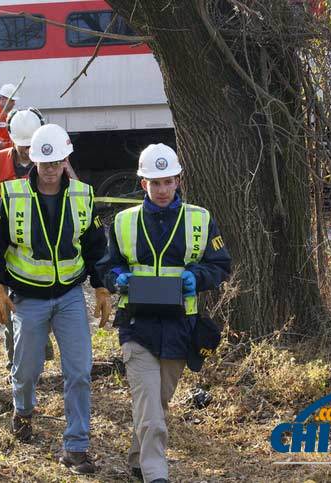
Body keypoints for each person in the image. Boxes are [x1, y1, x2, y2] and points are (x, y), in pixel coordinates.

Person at [0, 124, 111, 474]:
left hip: (69, 296)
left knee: (79, 372)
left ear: (66, 159)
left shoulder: (83, 195)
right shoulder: (12, 196)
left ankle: (76, 447)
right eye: (44, 163)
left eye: (57, 162)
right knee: (25, 370)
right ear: (33, 162)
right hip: (28, 299)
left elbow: (97, 248)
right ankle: (23, 410)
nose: (51, 170)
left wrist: (101, 287)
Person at [97, 144, 230, 483]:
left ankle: (137, 462)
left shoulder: (199, 219)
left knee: (156, 405)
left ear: (178, 181)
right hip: (136, 327)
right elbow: (107, 265)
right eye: (154, 183)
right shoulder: (124, 222)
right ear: (143, 184)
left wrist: (196, 277)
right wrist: (116, 279)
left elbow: (220, 265)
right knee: (152, 414)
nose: (161, 189)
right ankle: (156, 474)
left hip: (180, 328)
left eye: (168, 182)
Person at [0, 108, 59, 379]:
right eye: (22, 146)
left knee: (41, 301)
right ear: (12, 140)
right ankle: (15, 361)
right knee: (12, 304)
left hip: (43, 246)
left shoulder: (52, 162)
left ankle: (38, 345)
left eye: (31, 146)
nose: (26, 152)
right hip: (7, 246)